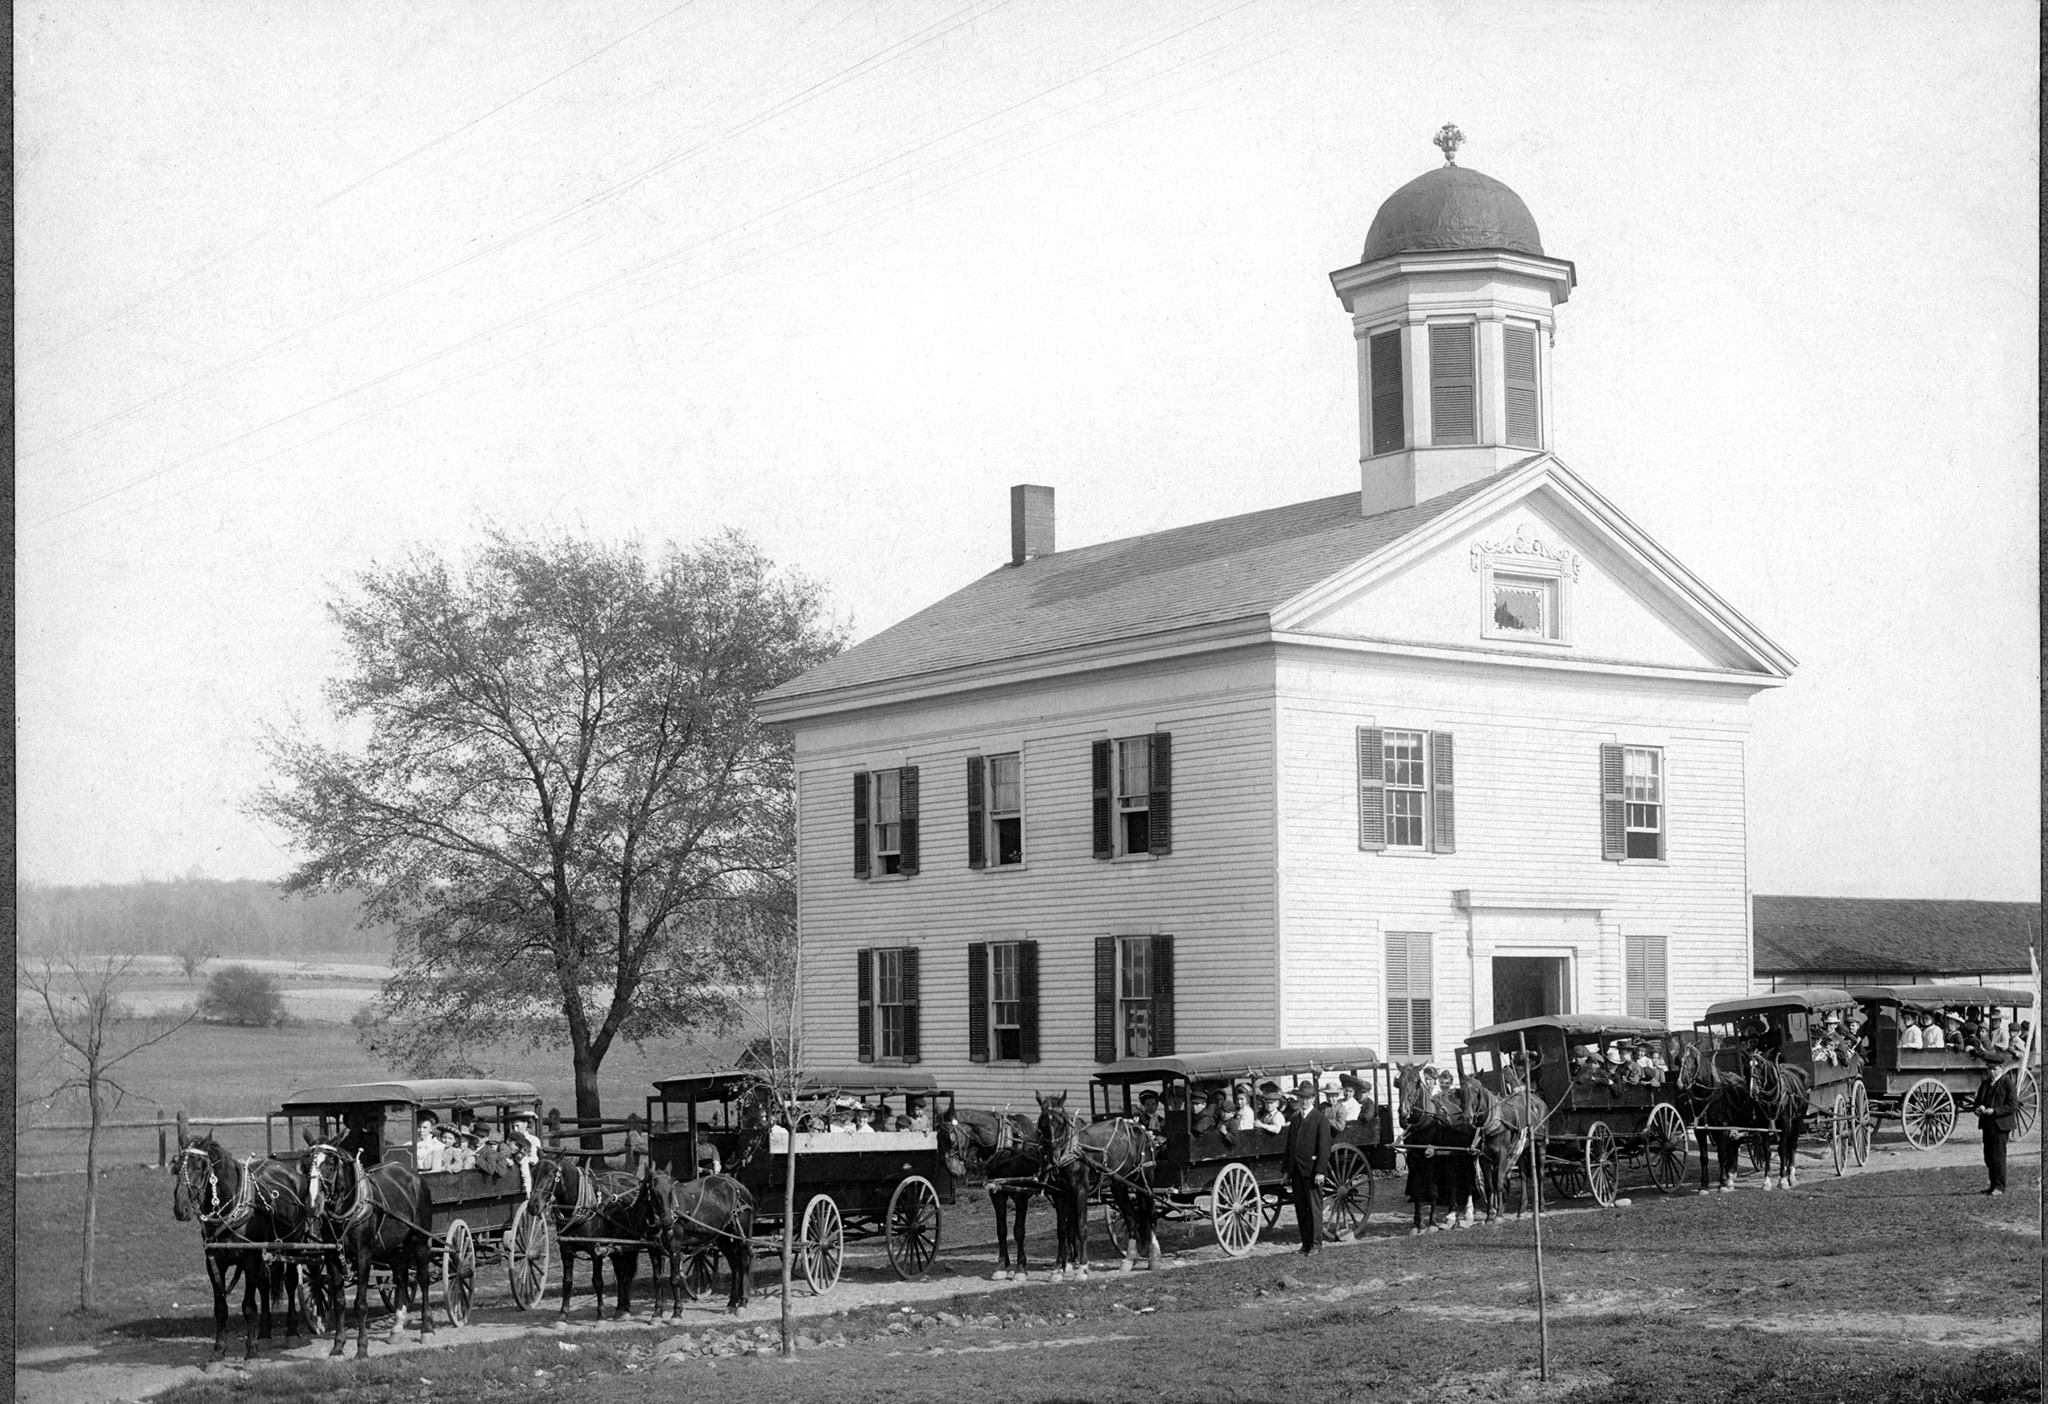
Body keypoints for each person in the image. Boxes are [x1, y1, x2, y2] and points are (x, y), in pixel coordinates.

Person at [1283, 1079, 1332, 1255]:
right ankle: (1305, 1244)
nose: (1304, 1101)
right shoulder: (1295, 1119)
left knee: (1313, 1208)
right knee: (1300, 1208)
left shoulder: (1320, 1120)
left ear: (1314, 1098)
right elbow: (1289, 1146)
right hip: (1297, 1170)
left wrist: (1320, 1171)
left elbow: (1324, 1148)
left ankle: (1316, 1244)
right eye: (1301, 1097)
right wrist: (1287, 1170)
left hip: (1311, 1171)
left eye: (1308, 1098)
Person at [1976, 1065, 2020, 1196]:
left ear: (2002, 1068)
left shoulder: (2008, 1083)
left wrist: (1995, 1111)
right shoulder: (1985, 1083)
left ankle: (2000, 1187)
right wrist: (1978, 1108)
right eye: (1989, 1069)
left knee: (1998, 1156)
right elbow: (1977, 1101)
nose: (1991, 1072)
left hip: (2001, 1125)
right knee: (1988, 1156)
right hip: (1987, 1124)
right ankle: (1993, 1184)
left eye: (1994, 1069)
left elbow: (2013, 1105)